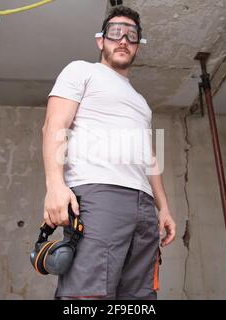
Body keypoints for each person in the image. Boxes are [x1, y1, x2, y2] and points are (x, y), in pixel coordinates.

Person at [42, 6, 176, 300]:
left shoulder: (142, 102)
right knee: (88, 294)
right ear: (100, 40)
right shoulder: (81, 70)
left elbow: (149, 158)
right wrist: (55, 185)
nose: (124, 40)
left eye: (132, 35)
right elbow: (55, 124)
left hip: (143, 206)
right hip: (100, 194)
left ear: (139, 45)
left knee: (140, 296)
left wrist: (162, 207)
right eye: (115, 33)